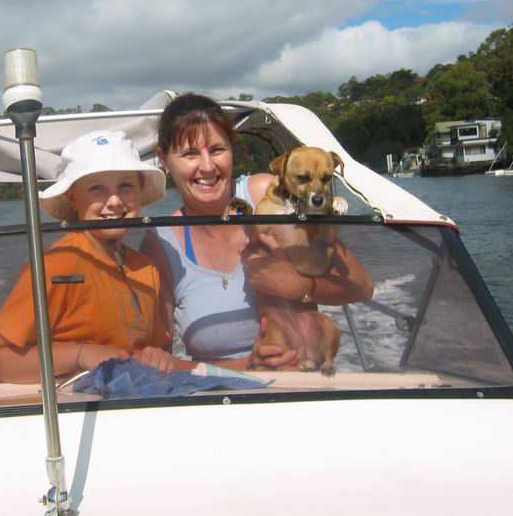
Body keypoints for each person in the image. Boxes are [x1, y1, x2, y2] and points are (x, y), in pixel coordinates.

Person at [141, 93, 373, 370]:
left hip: (304, 378)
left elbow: (362, 287)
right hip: (221, 389)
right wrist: (248, 365)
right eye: (190, 154)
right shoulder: (160, 242)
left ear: (232, 149)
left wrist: (303, 287)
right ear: (164, 160)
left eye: (217, 150)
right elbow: (161, 363)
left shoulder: (268, 193)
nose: (207, 166)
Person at [0, 130, 176, 383]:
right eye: (97, 188)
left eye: (126, 186)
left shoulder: (146, 268)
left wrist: (157, 356)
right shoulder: (54, 268)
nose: (114, 201)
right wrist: (80, 354)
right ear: (73, 196)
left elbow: (159, 349)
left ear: (141, 189)